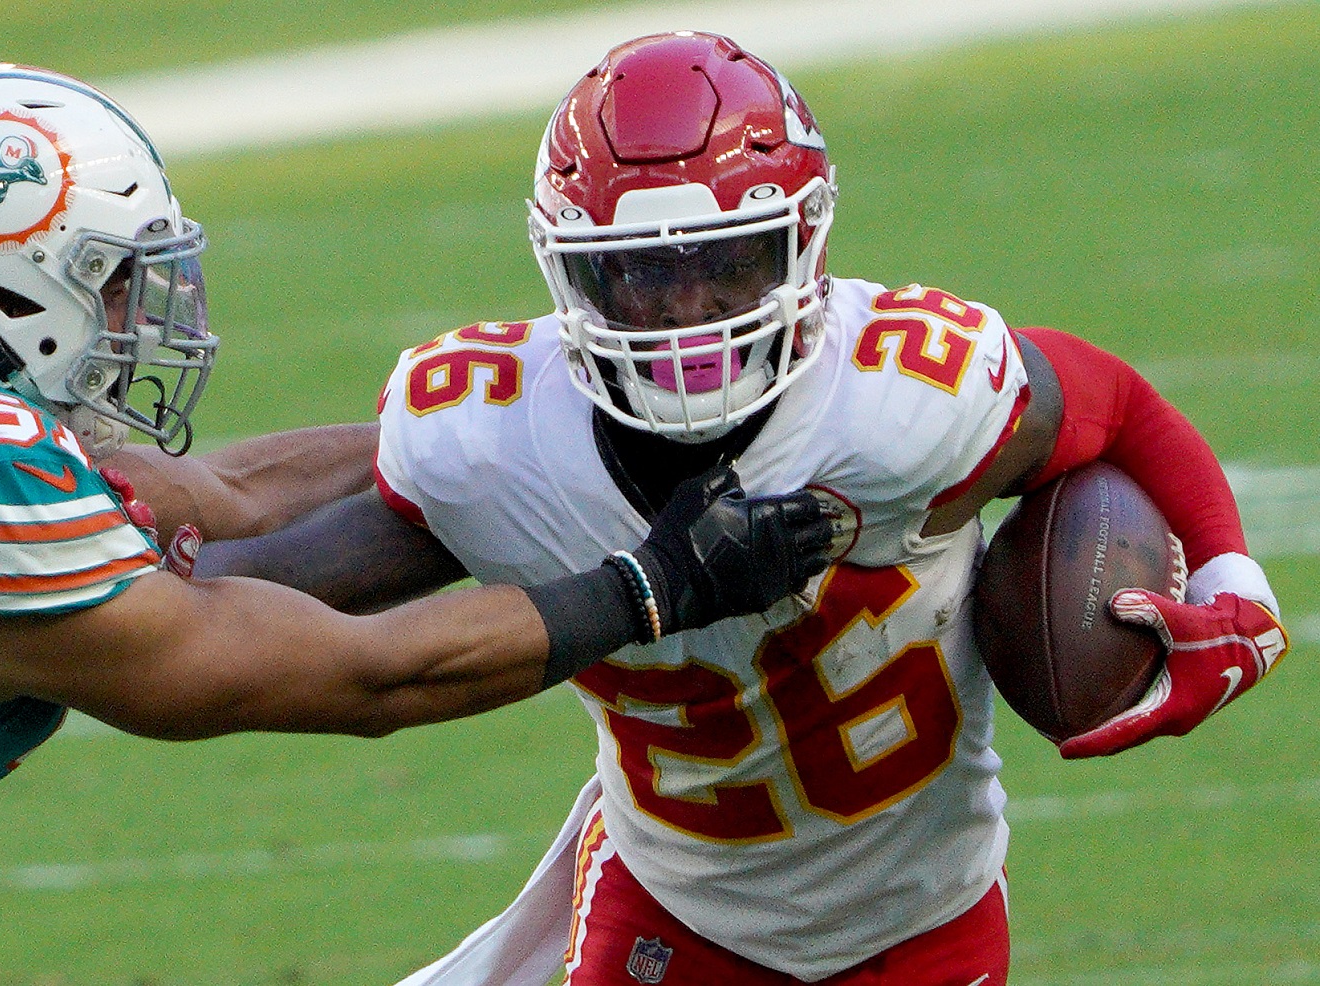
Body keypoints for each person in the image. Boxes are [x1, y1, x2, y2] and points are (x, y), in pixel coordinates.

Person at [190, 32, 1292, 985]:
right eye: (639, 275)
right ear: (567, 274)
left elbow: (1115, 401)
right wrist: (112, 571)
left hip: (927, 915)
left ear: (802, 242)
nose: (687, 311)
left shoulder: (905, 398)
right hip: (677, 907)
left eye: (725, 263)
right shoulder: (499, 437)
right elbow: (264, 598)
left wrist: (1235, 578)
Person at [0, 63, 842, 985]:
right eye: (113, 275)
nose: (138, 311)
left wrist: (539, 415)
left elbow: (219, 492)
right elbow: (369, 675)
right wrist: (656, 581)